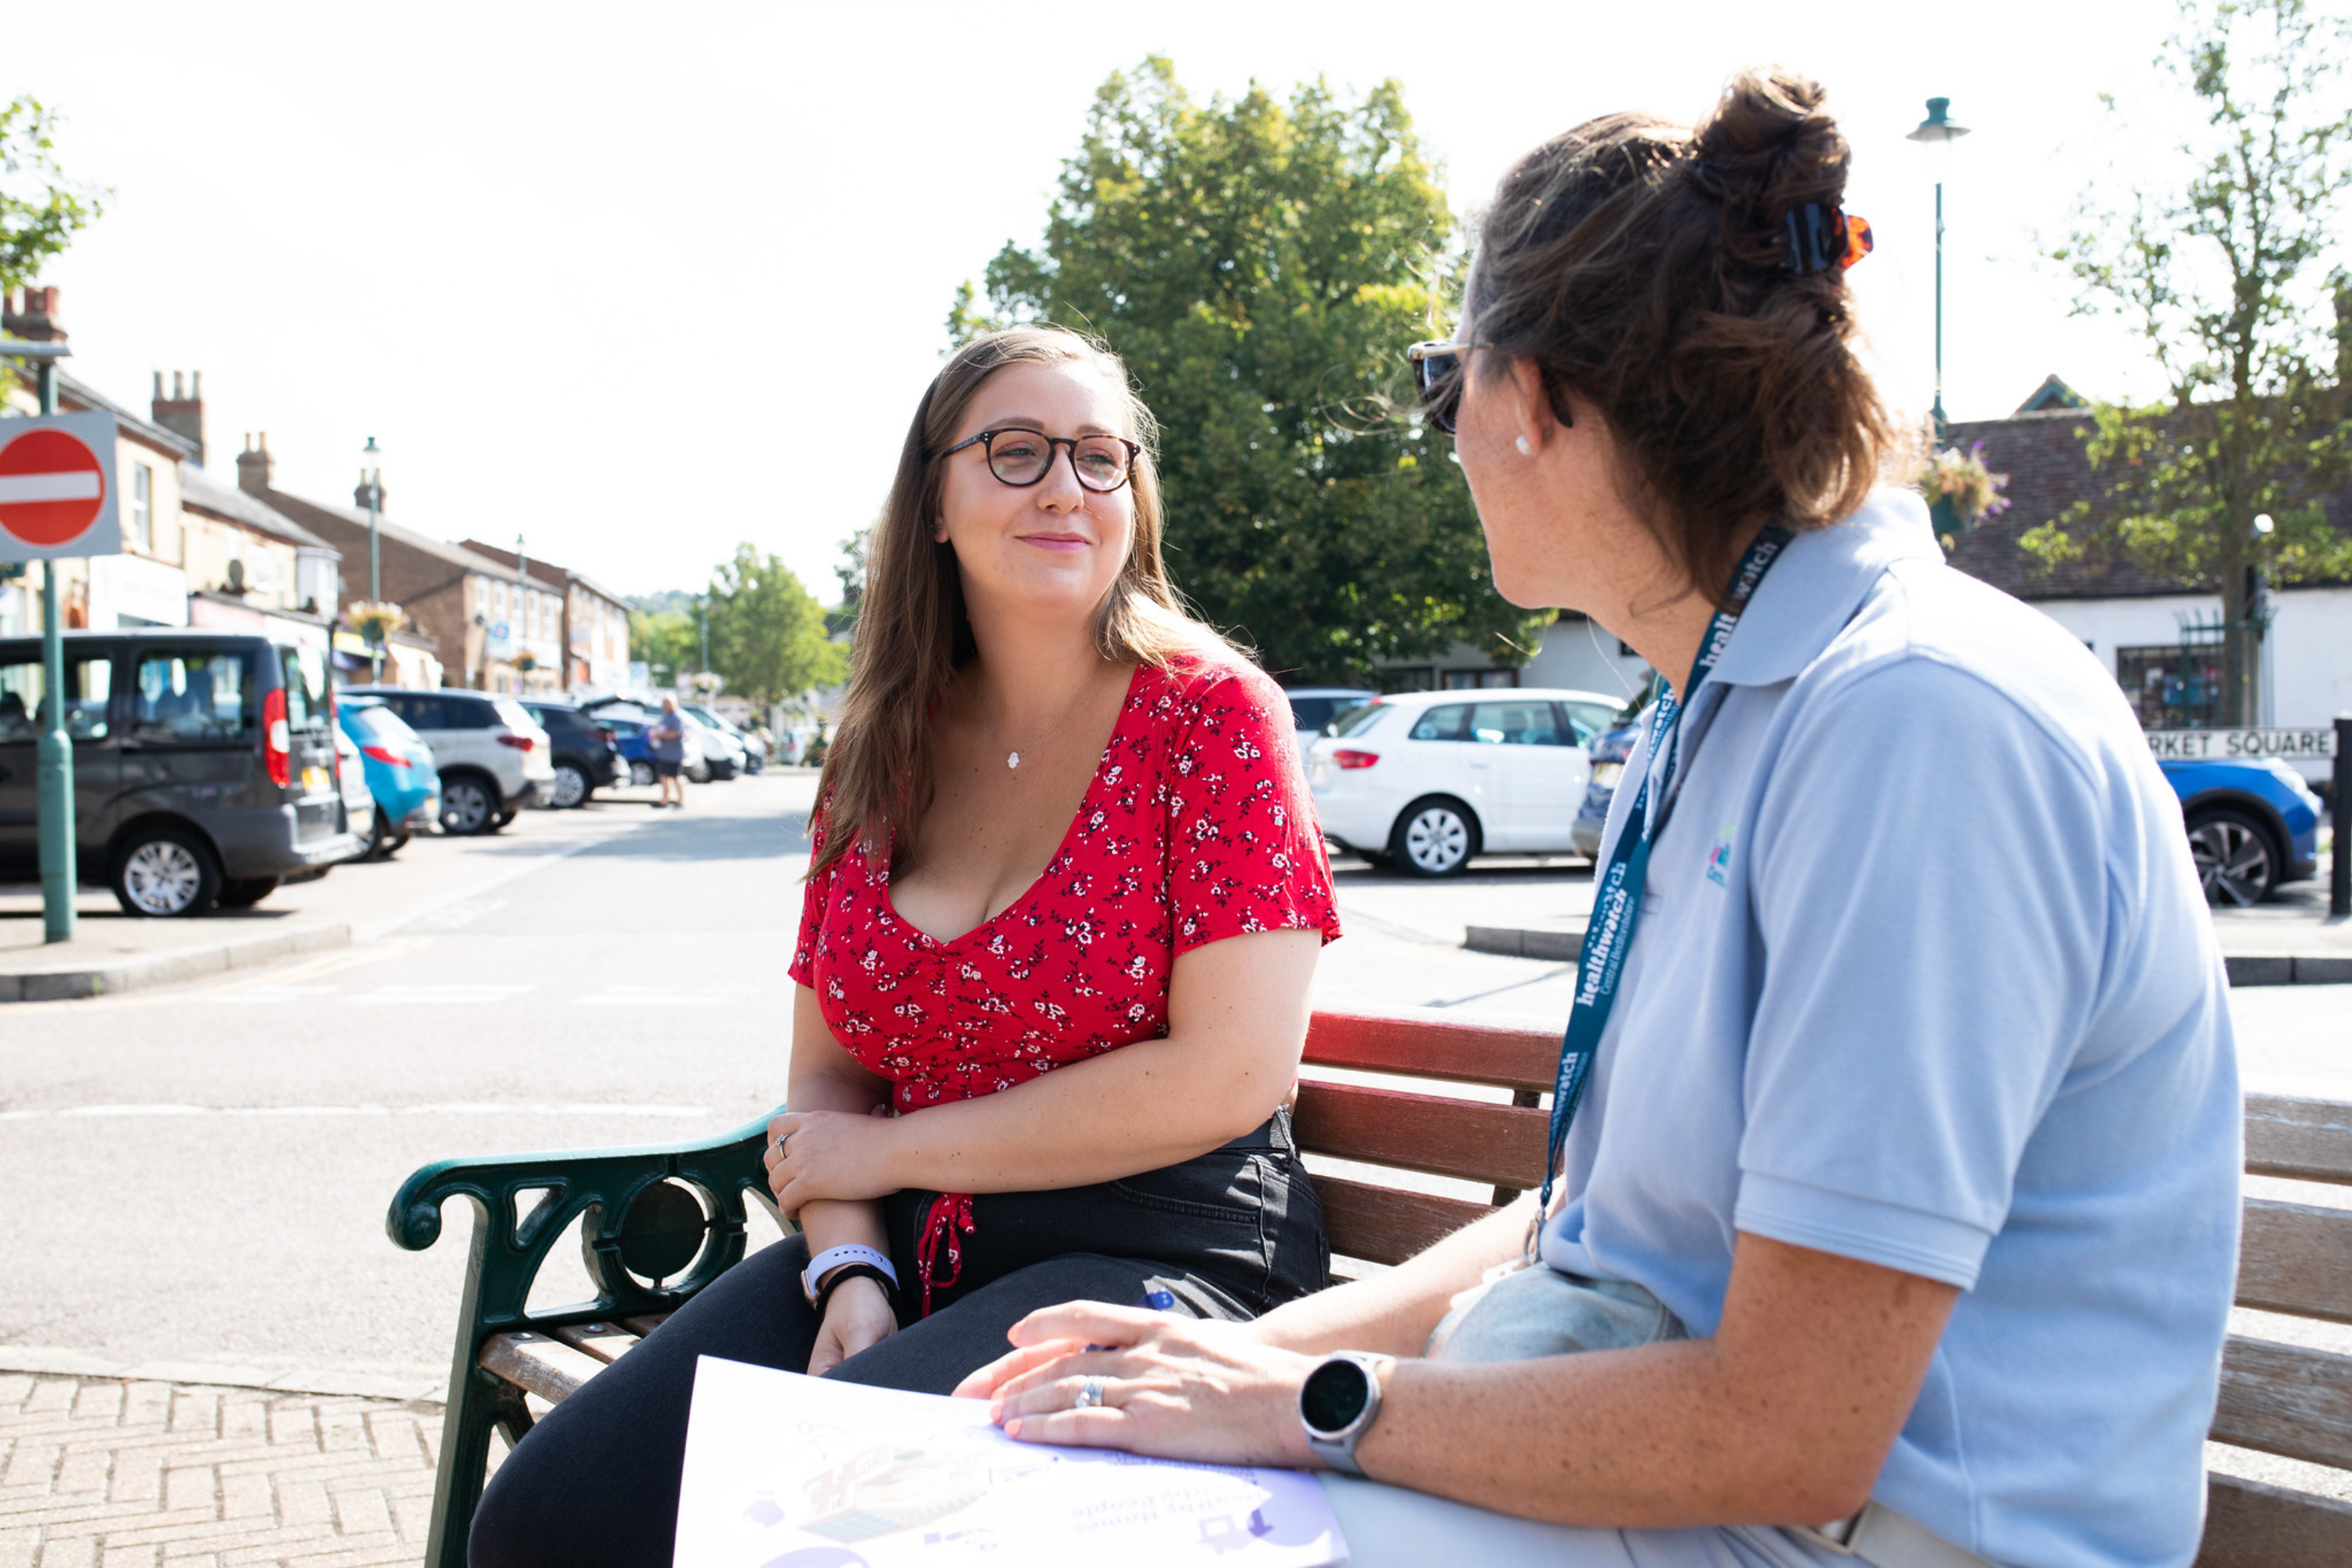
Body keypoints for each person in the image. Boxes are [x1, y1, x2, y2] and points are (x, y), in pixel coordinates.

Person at [960, 71, 2239, 1568]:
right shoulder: (1734, 699)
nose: (1447, 441)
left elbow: (1794, 1422)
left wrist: (1301, 1400)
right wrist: (1240, 1362)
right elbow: (1605, 1227)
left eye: (1450, 384)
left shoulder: (1917, 724)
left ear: (1544, 402)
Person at [467, 325, 1341, 1568]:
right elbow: (826, 1076)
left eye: (1102, 458)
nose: (1065, 486)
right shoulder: (882, 745)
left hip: (1157, 1262)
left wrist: (882, 1153)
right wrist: (849, 1268)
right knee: (550, 1517)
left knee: (815, 1531)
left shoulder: (1210, 715)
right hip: (912, 1251)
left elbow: (1229, 1079)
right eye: (1017, 449)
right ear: (933, 498)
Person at [647, 695, 688, 808]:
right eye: (664, 704)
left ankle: (681, 800)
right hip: (664, 753)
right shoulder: (665, 717)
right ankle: (665, 799)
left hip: (674, 754)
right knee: (664, 776)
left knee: (676, 776)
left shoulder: (676, 717)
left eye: (667, 704)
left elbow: (676, 733)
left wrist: (660, 735)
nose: (665, 707)